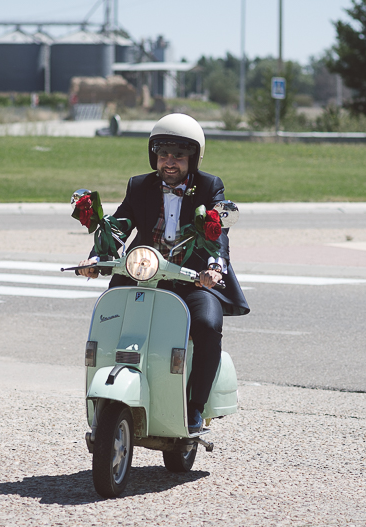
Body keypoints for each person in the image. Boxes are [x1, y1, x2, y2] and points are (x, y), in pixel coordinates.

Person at [79, 113, 250, 433]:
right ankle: (112, 391)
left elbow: (217, 232)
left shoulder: (210, 186)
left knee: (208, 325)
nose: (170, 162)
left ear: (193, 157)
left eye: (179, 155)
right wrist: (96, 257)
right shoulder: (140, 185)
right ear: (153, 155)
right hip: (143, 274)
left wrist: (214, 267)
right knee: (111, 318)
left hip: (193, 279)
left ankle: (195, 407)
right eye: (163, 154)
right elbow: (120, 225)